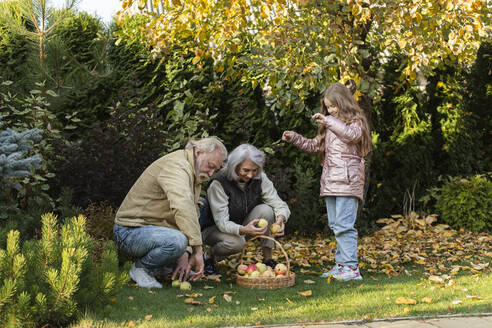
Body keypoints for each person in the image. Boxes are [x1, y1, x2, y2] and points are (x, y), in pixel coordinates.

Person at [282, 82, 372, 281]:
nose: (331, 110)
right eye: (328, 107)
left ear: (343, 102)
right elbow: (315, 146)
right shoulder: (329, 124)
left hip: (348, 180)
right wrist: (295, 138)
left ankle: (351, 268)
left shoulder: (356, 122)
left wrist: (329, 121)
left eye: (333, 106)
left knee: (345, 225)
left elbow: (352, 136)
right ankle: (341, 265)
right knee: (335, 224)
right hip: (330, 180)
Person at [113, 137, 227, 288]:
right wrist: (197, 251)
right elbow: (183, 208)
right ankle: (141, 269)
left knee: (198, 210)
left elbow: (189, 214)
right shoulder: (176, 166)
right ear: (198, 153)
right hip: (129, 232)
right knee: (176, 241)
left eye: (215, 170)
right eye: (210, 166)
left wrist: (185, 254)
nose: (211, 173)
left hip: (153, 230)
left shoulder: (192, 170)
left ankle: (164, 268)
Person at [200, 144, 291, 274]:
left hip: (244, 225)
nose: (250, 175)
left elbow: (279, 204)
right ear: (234, 166)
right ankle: (209, 256)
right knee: (237, 243)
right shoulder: (219, 183)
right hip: (215, 229)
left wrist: (281, 220)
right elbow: (222, 223)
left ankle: (268, 260)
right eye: (246, 170)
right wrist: (244, 230)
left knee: (266, 210)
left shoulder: (260, 178)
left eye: (254, 170)